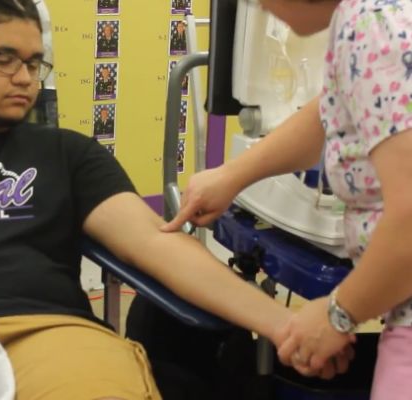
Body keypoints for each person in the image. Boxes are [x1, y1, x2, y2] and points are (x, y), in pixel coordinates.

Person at [0, 0, 348, 398]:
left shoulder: (66, 154)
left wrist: (284, 325)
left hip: (48, 334)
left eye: (34, 63)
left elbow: (157, 247)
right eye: (4, 59)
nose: (24, 78)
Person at [162, 0, 412, 398]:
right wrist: (232, 175)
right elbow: (333, 108)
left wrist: (337, 315)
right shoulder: (381, 18)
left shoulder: (370, 26)